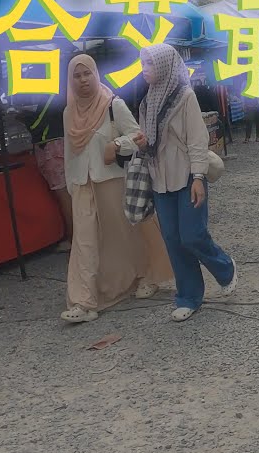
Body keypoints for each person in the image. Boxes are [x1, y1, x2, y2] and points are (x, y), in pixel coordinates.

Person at [59, 55, 174, 323]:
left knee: (127, 234)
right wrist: (70, 184)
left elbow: (139, 136)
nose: (83, 80)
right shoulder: (69, 112)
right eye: (77, 76)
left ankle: (148, 274)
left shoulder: (113, 105)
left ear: (96, 74)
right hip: (81, 184)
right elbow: (68, 152)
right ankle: (84, 301)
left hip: (112, 180)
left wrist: (117, 145)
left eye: (87, 74)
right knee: (84, 241)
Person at [135, 44, 237, 322]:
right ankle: (189, 296)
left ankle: (225, 267)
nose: (145, 69)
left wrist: (199, 178)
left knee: (192, 235)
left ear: (166, 66)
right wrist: (144, 142)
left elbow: (197, 140)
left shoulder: (185, 97)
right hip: (160, 180)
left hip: (187, 176)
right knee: (173, 240)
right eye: (143, 64)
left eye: (150, 64)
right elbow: (151, 141)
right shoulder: (146, 101)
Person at [21, 93, 74, 252]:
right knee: (68, 193)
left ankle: (73, 238)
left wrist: (23, 117)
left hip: (52, 146)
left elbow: (37, 123)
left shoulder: (52, 95)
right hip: (60, 144)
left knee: (64, 194)